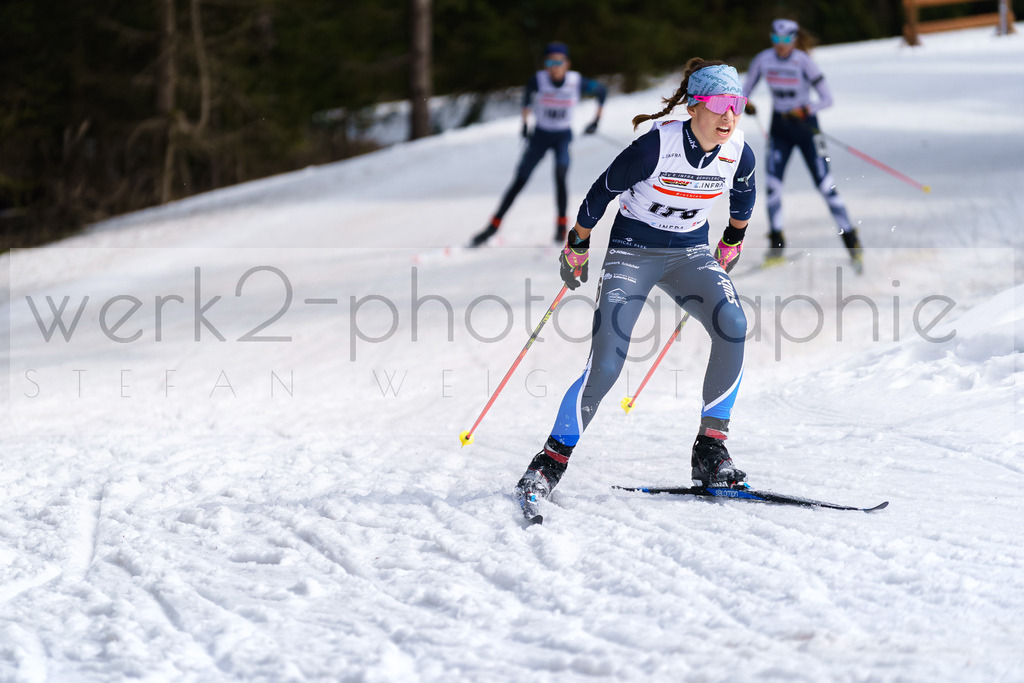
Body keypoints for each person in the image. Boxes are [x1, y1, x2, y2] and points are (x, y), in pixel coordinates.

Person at [514, 58, 756, 518]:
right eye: (721, 104)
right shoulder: (654, 147)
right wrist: (577, 246)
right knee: (607, 363)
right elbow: (600, 192)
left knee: (733, 322)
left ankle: (711, 451)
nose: (730, 116)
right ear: (696, 106)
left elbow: (743, 195)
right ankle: (547, 464)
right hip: (632, 253)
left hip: (690, 254)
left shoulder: (738, 150)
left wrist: (732, 239)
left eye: (738, 104)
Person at [742, 19, 863, 271]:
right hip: (780, 129)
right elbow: (744, 91)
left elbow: (828, 99)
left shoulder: (803, 62)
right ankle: (776, 245)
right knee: (773, 188)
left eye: (786, 40)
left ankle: (851, 240)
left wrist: (806, 109)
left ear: (795, 39)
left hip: (806, 128)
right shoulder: (763, 60)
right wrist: (746, 103)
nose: (781, 45)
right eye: (776, 39)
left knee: (826, 186)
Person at [470, 42, 607, 247]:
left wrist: (596, 121)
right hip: (540, 137)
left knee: (560, 176)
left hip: (562, 136)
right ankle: (493, 226)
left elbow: (602, 91)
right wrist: (525, 123)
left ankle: (561, 227)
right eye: (550, 62)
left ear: (567, 63)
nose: (554, 67)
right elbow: (526, 99)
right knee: (520, 180)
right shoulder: (538, 80)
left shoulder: (576, 81)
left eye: (558, 62)